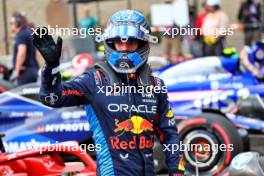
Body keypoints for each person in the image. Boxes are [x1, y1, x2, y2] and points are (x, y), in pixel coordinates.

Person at [33, 10, 184, 176]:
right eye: (119, 43)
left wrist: (177, 172)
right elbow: (51, 98)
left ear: (144, 44)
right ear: (110, 43)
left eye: (131, 43)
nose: (124, 49)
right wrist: (51, 67)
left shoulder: (155, 86)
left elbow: (170, 136)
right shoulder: (94, 80)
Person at [10, 12, 39, 85]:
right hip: (32, 71)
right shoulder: (28, 33)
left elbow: (21, 53)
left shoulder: (21, 35)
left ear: (17, 23)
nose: (11, 25)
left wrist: (16, 71)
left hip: (25, 73)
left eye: (12, 23)